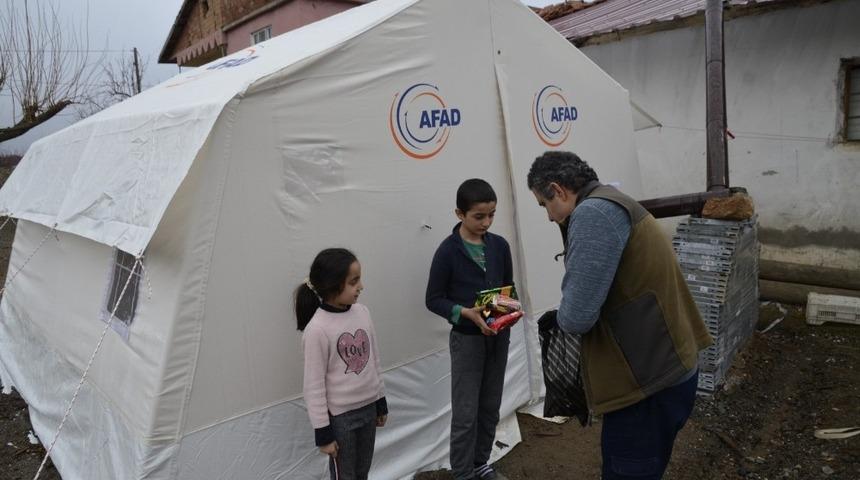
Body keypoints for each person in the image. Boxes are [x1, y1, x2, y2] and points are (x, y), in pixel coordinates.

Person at [526, 151, 713, 480]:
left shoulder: (593, 214)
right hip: (664, 370)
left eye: (544, 205)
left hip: (648, 385)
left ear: (558, 190)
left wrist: (565, 303)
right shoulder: (613, 200)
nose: (549, 217)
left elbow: (577, 317)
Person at [426, 179, 514, 480]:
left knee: (490, 406)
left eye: (491, 214)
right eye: (479, 216)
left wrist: (507, 313)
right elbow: (433, 299)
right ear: (459, 214)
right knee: (465, 413)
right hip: (467, 341)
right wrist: (465, 313)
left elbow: (508, 289)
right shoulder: (448, 252)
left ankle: (480, 463)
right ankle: (462, 473)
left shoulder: (500, 246)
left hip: (498, 338)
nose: (486, 222)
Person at [296, 248, 388, 480]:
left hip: (368, 410)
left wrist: (380, 401)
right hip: (341, 419)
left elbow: (374, 359)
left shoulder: (363, 312)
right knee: (344, 475)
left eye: (359, 280)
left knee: (362, 470)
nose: (361, 286)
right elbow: (313, 386)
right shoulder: (317, 330)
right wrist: (323, 433)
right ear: (332, 285)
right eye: (353, 282)